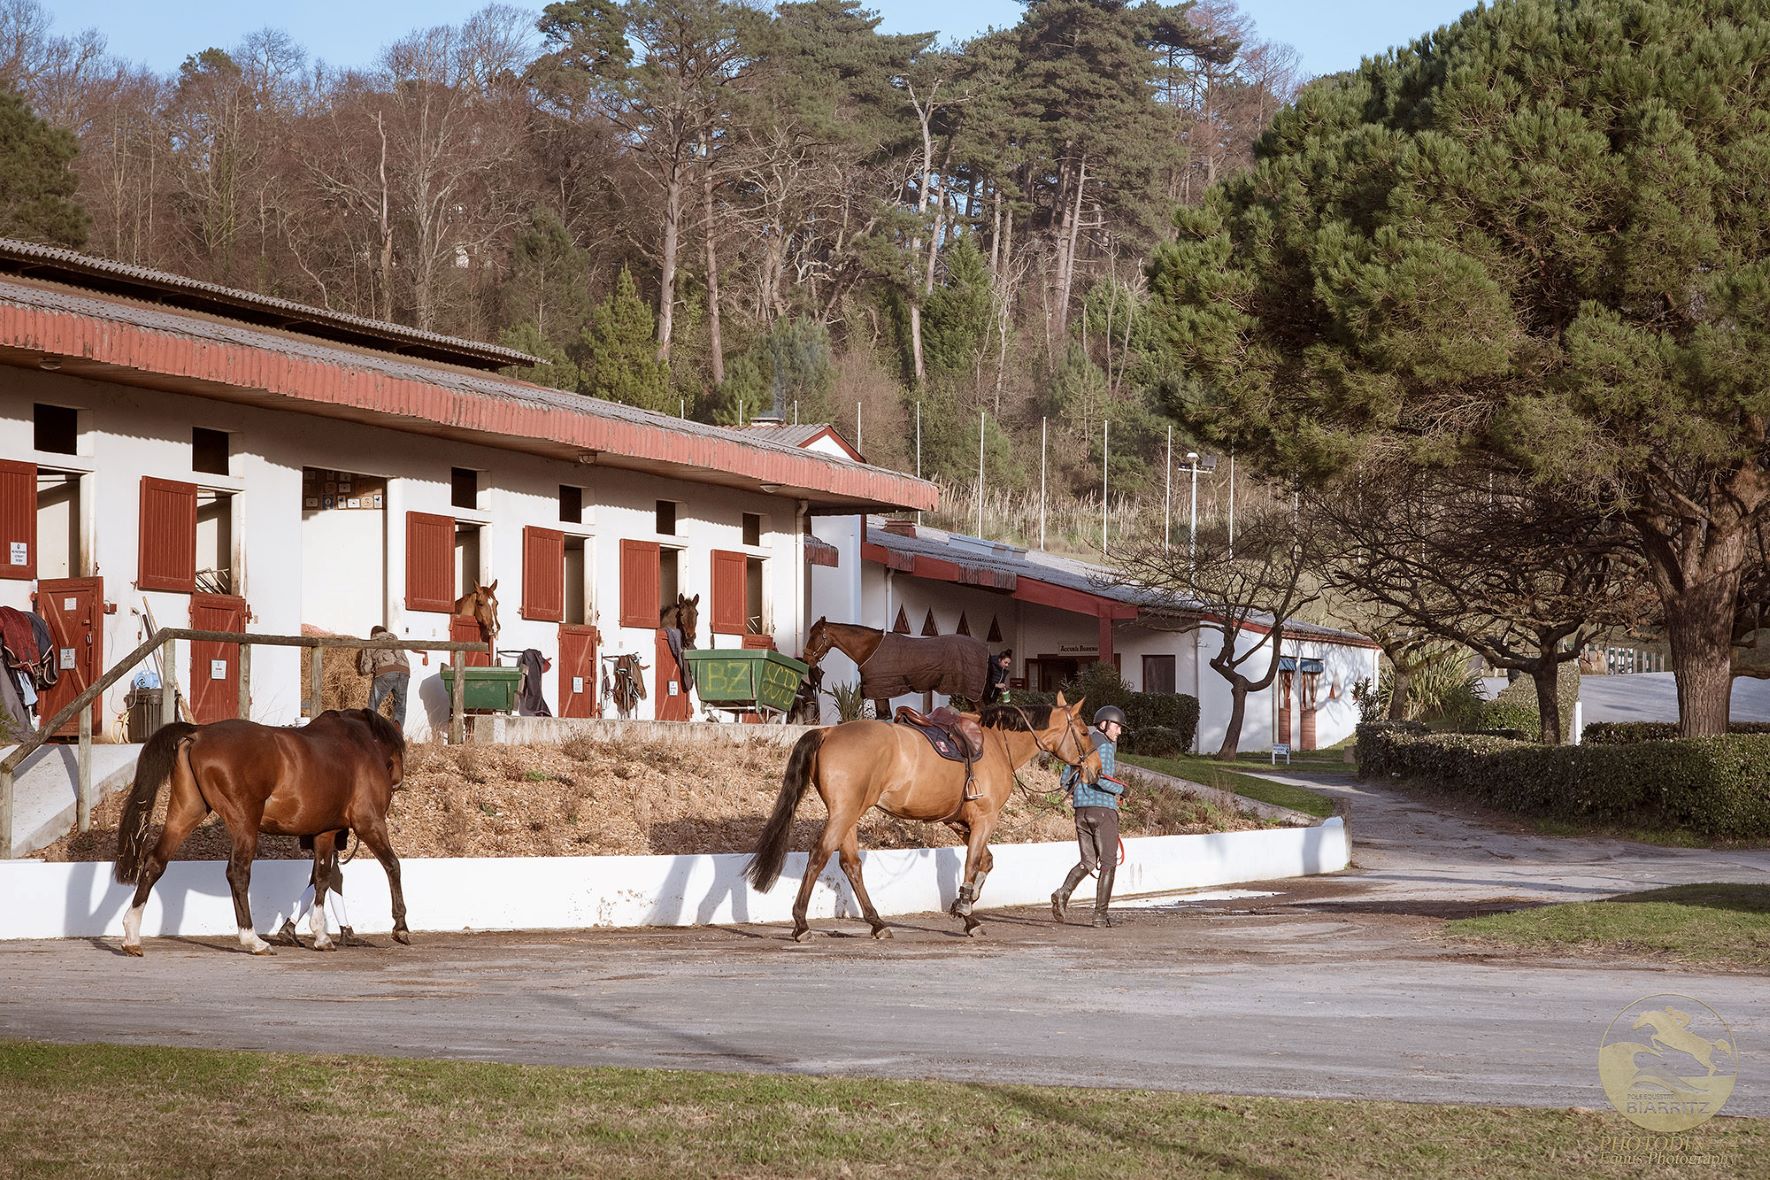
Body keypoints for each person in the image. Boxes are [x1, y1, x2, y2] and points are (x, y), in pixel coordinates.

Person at [1051, 704, 1127, 928]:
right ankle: (1100, 916)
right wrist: (1122, 790)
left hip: (1081, 811)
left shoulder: (1079, 746)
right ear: (1104, 725)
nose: (1119, 732)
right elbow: (1102, 779)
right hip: (1102, 811)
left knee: (1088, 861)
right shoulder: (1105, 748)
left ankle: (1063, 893)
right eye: (1117, 726)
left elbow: (1065, 782)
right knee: (1108, 863)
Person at [357, 624, 409, 730]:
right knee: (400, 705)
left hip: (386, 672)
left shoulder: (371, 642)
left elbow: (365, 670)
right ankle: (397, 734)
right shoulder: (395, 639)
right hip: (404, 671)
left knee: (373, 705)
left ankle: (371, 732)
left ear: (373, 634)